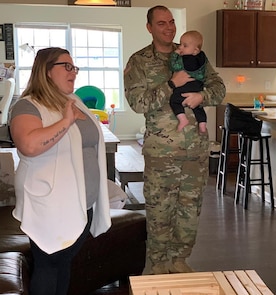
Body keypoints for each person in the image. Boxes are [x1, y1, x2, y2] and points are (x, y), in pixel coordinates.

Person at [124, 5, 226, 275]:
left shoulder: (194, 53)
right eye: (161, 23)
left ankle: (180, 259)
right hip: (162, 153)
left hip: (195, 152)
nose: (169, 27)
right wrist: (171, 83)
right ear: (150, 28)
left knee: (190, 211)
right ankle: (158, 265)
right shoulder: (140, 61)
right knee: (159, 213)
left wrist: (202, 97)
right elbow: (137, 102)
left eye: (171, 22)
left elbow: (219, 87)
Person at [9, 47, 111, 295]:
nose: (73, 72)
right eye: (67, 66)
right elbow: (30, 145)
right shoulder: (28, 106)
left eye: (74, 67)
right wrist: (66, 121)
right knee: (49, 264)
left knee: (63, 263)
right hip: (50, 205)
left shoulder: (72, 101)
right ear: (46, 71)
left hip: (80, 203)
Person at [169, 30, 208, 134]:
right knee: (198, 107)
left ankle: (182, 119)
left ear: (195, 50)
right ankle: (203, 124)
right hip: (197, 87)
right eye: (180, 44)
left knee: (175, 100)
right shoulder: (202, 58)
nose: (180, 47)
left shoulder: (184, 59)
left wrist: (175, 55)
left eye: (184, 46)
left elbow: (173, 66)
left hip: (184, 88)